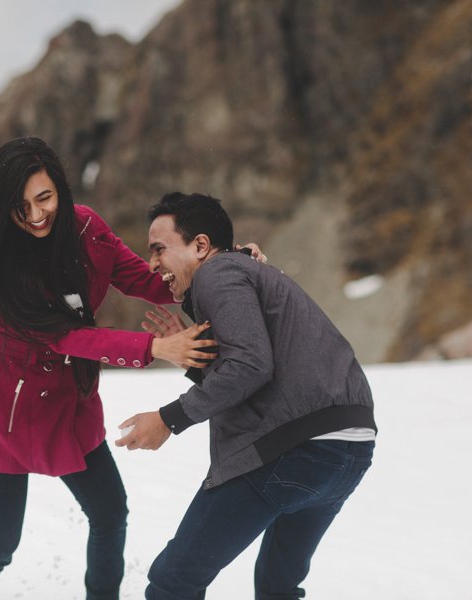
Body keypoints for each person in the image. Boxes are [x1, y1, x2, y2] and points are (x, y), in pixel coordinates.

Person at [0, 138, 265, 599]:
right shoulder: (0, 265)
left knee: (109, 513)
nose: (36, 214)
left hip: (65, 399)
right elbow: (66, 337)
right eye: (20, 206)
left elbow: (146, 281)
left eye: (44, 198)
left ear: (60, 189)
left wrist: (223, 261)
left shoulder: (86, 228)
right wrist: (156, 347)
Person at [116, 192, 377, 600]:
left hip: (293, 450)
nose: (152, 265)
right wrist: (195, 362)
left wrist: (168, 418)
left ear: (201, 245)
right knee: (277, 587)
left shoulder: (218, 274)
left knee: (173, 582)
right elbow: (256, 369)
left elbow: (252, 366)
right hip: (349, 450)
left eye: (158, 249)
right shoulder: (243, 273)